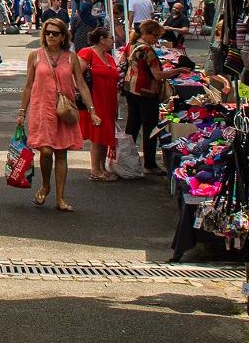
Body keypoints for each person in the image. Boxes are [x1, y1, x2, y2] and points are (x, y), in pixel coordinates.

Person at [17, 18, 100, 212]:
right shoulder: (35, 56)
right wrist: (22, 113)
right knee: (45, 151)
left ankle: (60, 198)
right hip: (41, 109)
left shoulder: (72, 57)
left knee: (61, 152)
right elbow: (28, 86)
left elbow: (81, 85)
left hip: (64, 111)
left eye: (55, 33)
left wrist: (92, 111)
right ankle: (46, 185)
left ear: (64, 36)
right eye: (48, 33)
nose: (51, 36)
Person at [123, 20, 185, 175]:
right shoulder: (147, 50)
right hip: (146, 92)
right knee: (150, 127)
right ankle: (149, 164)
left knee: (132, 125)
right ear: (146, 33)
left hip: (131, 88)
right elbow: (157, 75)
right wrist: (178, 71)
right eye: (156, 36)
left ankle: (125, 159)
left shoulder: (132, 44)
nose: (157, 40)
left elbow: (123, 63)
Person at [78, 27, 120, 182]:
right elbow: (76, 76)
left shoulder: (109, 57)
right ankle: (95, 169)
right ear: (102, 39)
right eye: (111, 38)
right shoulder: (87, 53)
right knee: (98, 135)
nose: (113, 41)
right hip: (96, 100)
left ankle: (102, 168)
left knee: (105, 135)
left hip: (109, 101)